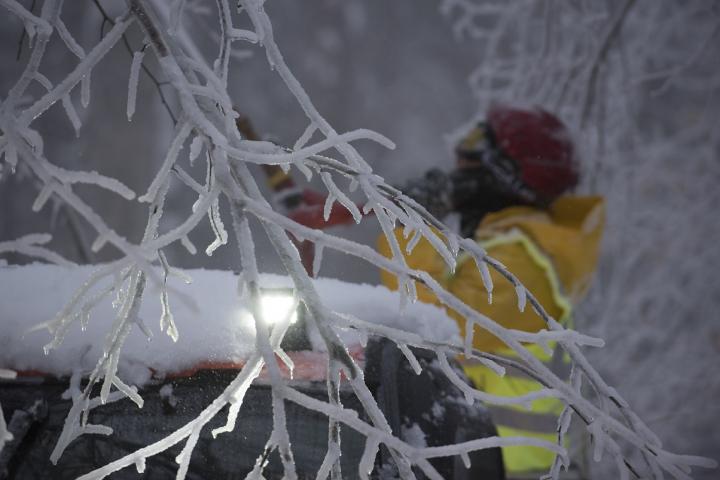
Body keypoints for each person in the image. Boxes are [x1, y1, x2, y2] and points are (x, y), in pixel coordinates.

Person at [378, 105, 604, 479]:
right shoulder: (505, 248)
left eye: (472, 154)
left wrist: (412, 225)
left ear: (503, 174)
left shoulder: (521, 263)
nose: (459, 169)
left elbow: (433, 321)